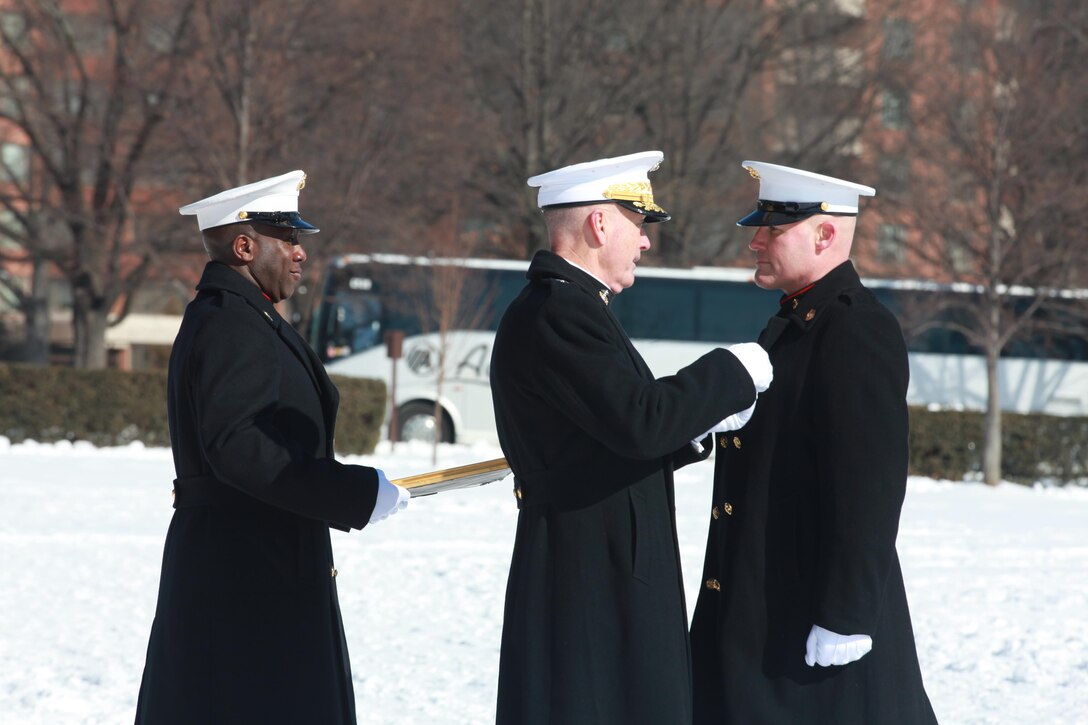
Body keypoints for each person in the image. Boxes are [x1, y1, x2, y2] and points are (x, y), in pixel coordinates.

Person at [489, 150, 774, 724]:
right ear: (599, 224)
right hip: (586, 575)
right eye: (638, 225)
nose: (645, 242)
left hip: (602, 564)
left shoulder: (573, 306)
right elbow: (639, 419)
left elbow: (609, 434)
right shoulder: (559, 312)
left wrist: (698, 426)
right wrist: (729, 372)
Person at [135, 170, 409, 724]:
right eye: (289, 239)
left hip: (255, 563)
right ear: (244, 245)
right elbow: (238, 445)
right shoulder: (230, 323)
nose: (300, 253)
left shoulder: (244, 316)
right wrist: (350, 493)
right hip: (245, 574)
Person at [689, 161, 938, 724]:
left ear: (825, 234)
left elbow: (869, 484)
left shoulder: (855, 328)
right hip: (765, 599)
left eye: (773, 230)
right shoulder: (797, 320)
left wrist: (847, 612)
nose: (755, 241)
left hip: (809, 610)